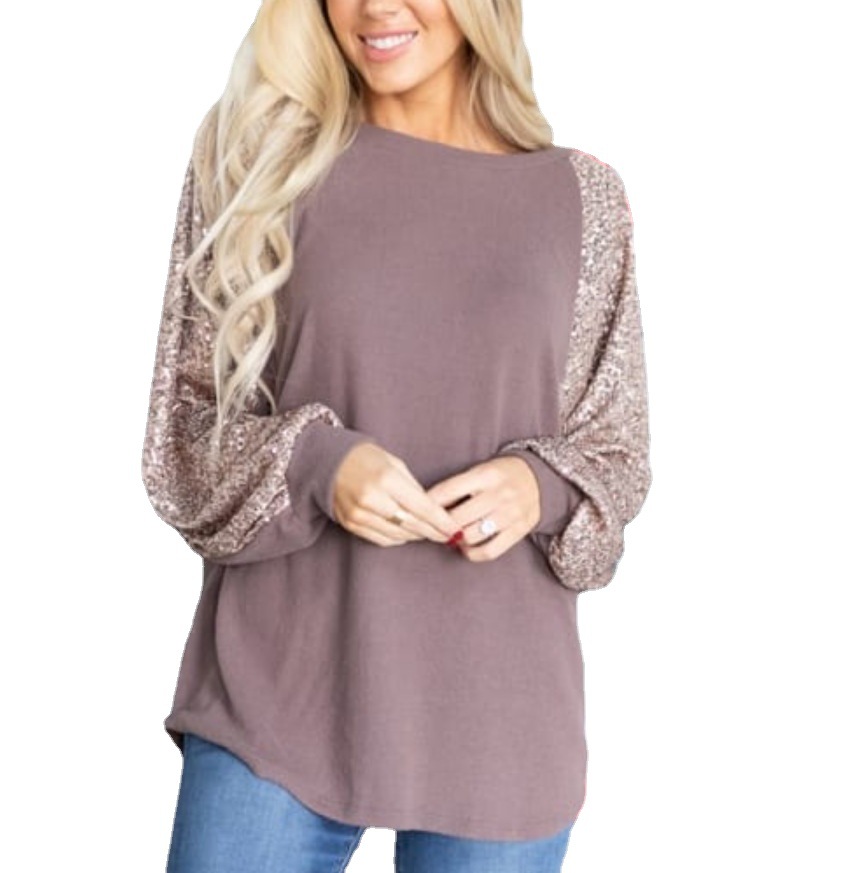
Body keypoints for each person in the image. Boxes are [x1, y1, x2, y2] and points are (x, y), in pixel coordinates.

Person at [141, 0, 652, 870]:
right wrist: (318, 464)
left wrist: (539, 485)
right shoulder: (257, 163)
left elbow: (618, 450)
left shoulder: (579, 197)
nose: (375, 7)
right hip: (278, 699)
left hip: (500, 717)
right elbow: (179, 444)